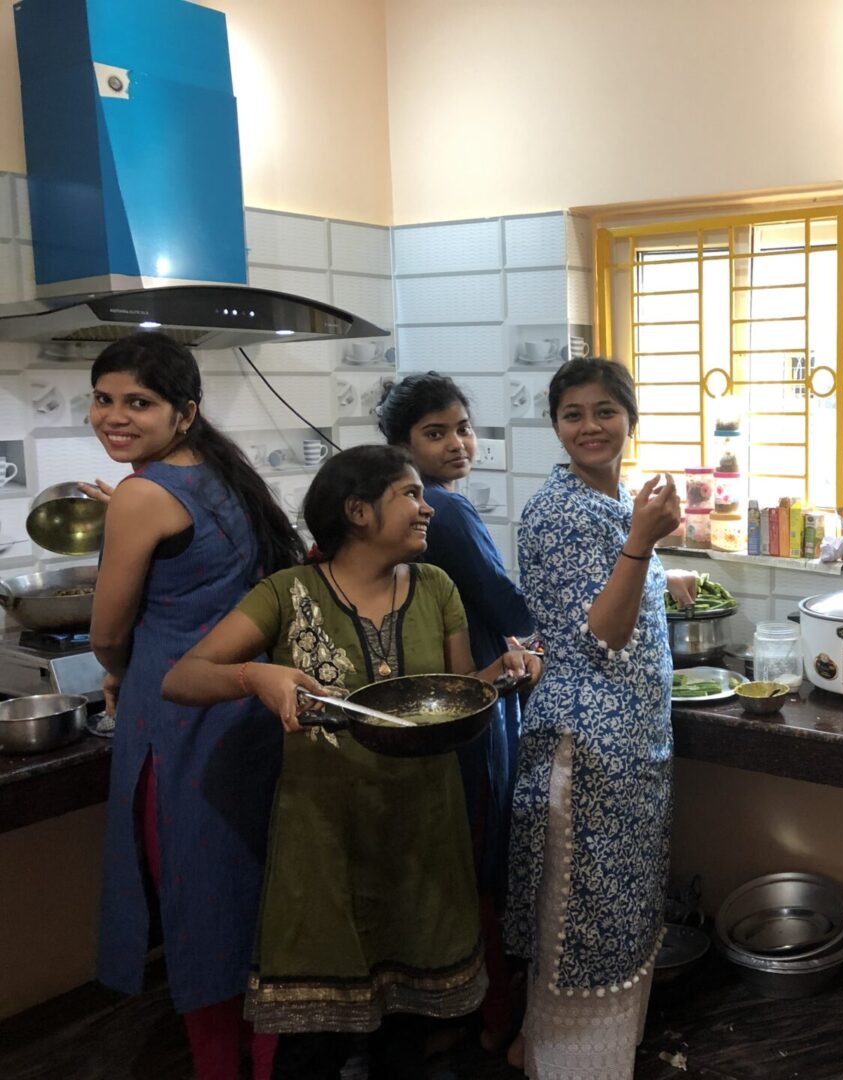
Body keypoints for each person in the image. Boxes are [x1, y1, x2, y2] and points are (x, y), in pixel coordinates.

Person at [161, 445, 542, 1080]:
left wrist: (500, 672)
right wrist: (256, 675)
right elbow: (182, 677)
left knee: (408, 1040)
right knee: (313, 1047)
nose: (427, 509)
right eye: (411, 495)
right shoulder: (287, 593)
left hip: (424, 835)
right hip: (324, 841)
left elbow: (455, 691)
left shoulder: (436, 587)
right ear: (358, 511)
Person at [85, 331, 305, 1080]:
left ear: (183, 412)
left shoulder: (144, 495)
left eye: (137, 403)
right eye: (104, 399)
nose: (115, 416)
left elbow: (107, 631)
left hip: (176, 723)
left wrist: (118, 671)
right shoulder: (216, 471)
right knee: (252, 908)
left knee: (198, 905)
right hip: (247, 717)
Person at [504, 358, 696, 1079]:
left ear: (630, 419)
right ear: (555, 425)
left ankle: (557, 1051)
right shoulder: (559, 509)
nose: (589, 426)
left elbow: (605, 588)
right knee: (583, 918)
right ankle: (568, 1064)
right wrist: (644, 541)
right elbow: (598, 635)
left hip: (629, 742)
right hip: (588, 746)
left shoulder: (608, 501)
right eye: (572, 414)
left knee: (618, 913)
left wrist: (657, 566)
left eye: (605, 411)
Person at [376, 372, 535, 1052]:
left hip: (434, 695)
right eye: (435, 433)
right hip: (472, 696)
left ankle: (447, 1013)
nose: (457, 443)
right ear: (402, 446)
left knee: (451, 857)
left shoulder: (403, 509)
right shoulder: (445, 509)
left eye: (463, 427)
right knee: (481, 851)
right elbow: (507, 605)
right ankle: (491, 1016)